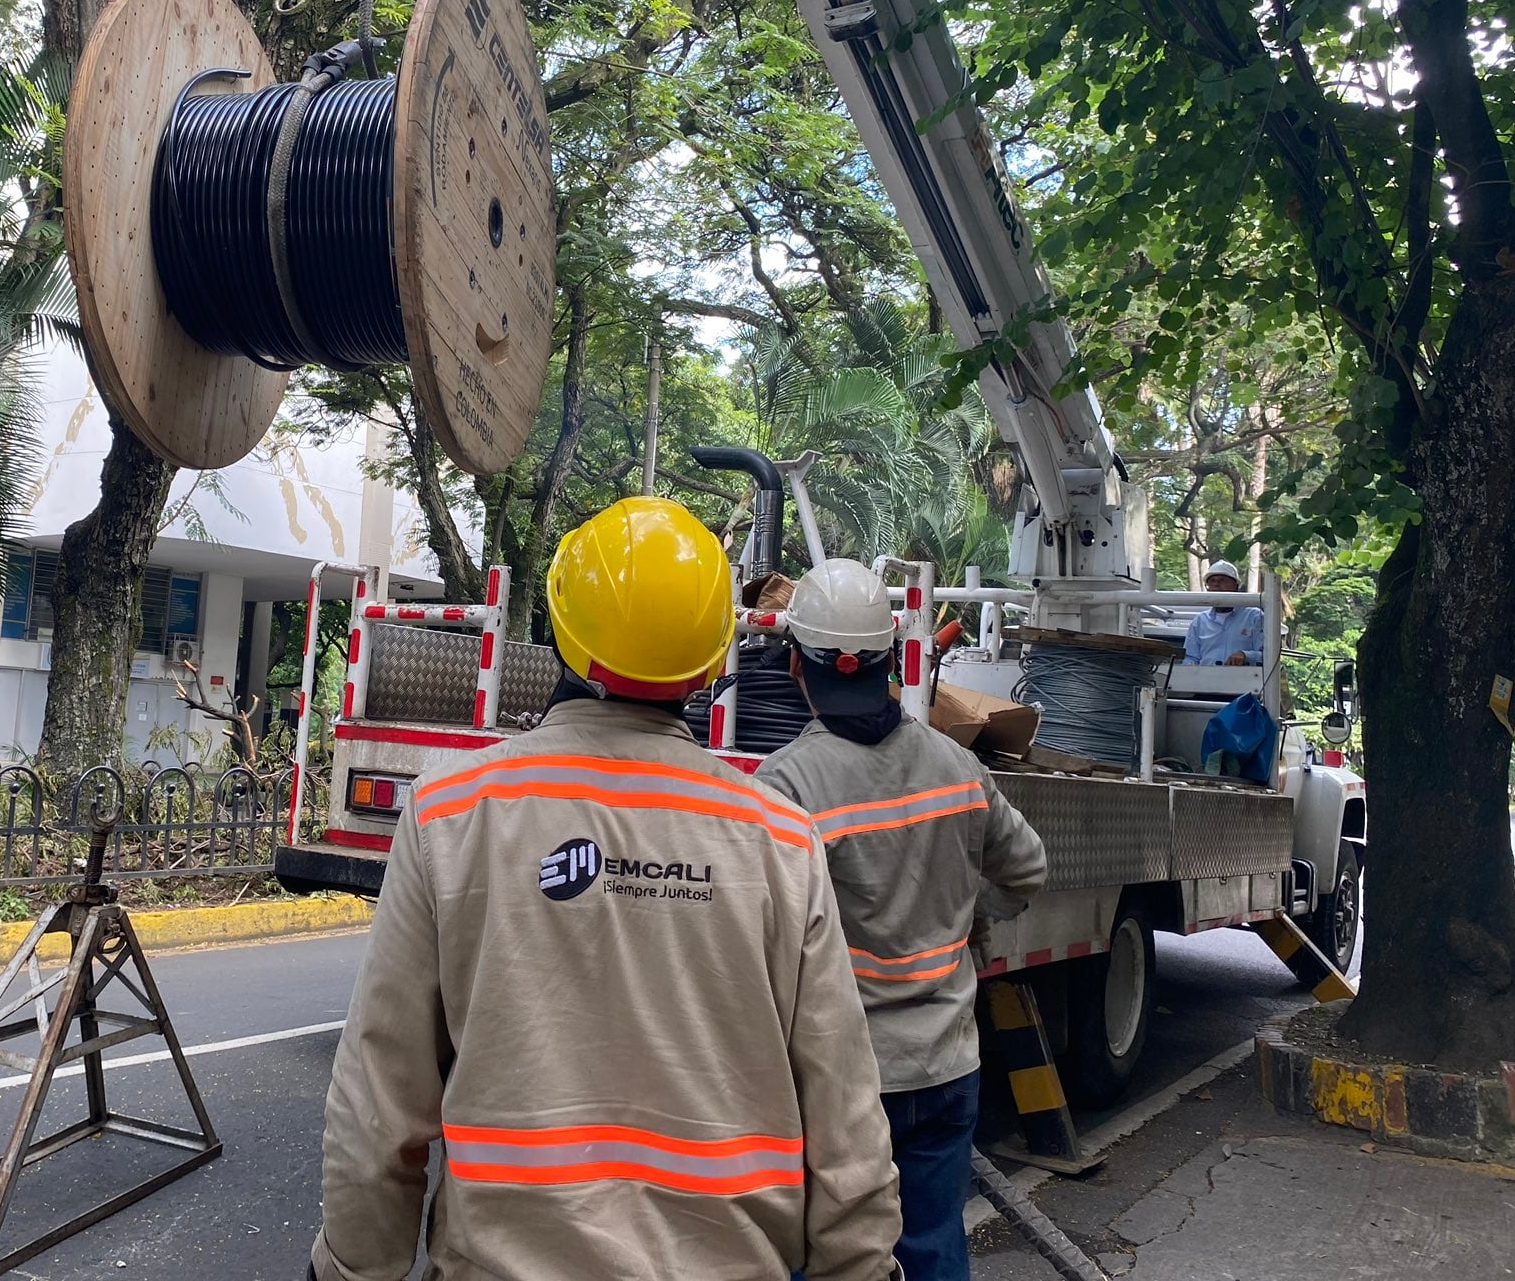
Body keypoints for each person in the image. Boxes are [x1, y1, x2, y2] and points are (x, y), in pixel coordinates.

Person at [312, 499, 903, 1281]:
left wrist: (353, 1271)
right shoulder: (779, 840)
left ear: (560, 628)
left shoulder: (453, 812)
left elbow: (380, 1104)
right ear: (709, 663)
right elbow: (847, 1125)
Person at [756, 559, 1048, 1281]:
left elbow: (762, 942)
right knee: (931, 1245)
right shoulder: (956, 766)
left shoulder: (785, 788)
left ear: (796, 664)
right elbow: (1027, 869)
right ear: (891, 660)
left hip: (842, 1079)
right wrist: (969, 919)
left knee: (820, 1253)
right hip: (947, 1065)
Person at [1183, 560, 1264, 665]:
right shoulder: (1199, 621)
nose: (1216, 585)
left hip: (1245, 679)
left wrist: (1246, 655)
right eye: (1212, 581)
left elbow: (1269, 655)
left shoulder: (1254, 617)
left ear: (1236, 586)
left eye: (1222, 580)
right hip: (1205, 679)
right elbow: (1190, 657)